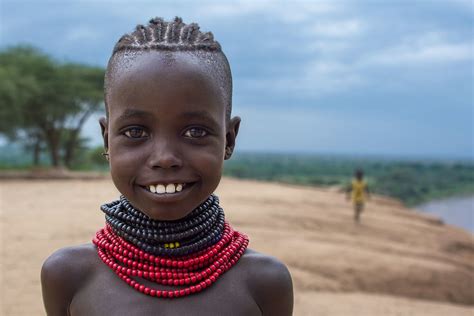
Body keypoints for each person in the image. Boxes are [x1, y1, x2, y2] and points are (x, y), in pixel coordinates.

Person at [41, 17, 293, 315]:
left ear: (229, 139)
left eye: (195, 132)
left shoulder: (264, 283)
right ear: (106, 139)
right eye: (136, 132)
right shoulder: (68, 276)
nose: (164, 158)